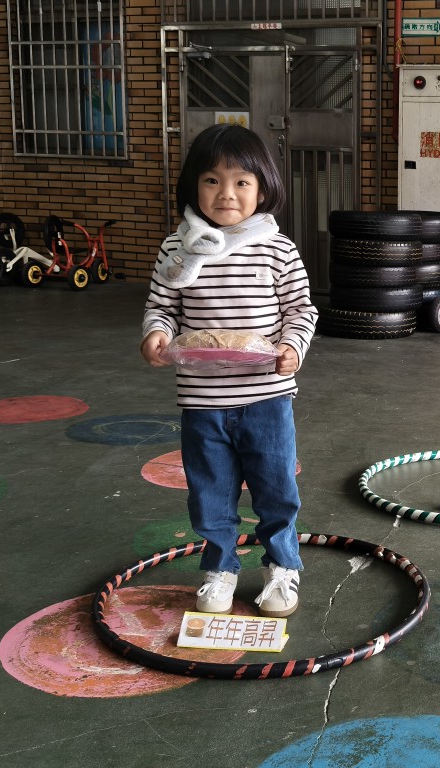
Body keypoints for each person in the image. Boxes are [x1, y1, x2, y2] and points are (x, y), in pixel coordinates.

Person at [140, 124, 319, 618]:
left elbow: (301, 309)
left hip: (267, 396)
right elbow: (162, 307)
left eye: (242, 181)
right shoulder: (177, 249)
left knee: (276, 488)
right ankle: (220, 568)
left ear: (263, 188)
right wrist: (156, 335)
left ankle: (282, 566)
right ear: (193, 186)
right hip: (202, 401)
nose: (227, 193)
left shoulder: (277, 248)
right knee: (210, 492)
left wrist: (292, 347)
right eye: (212, 180)